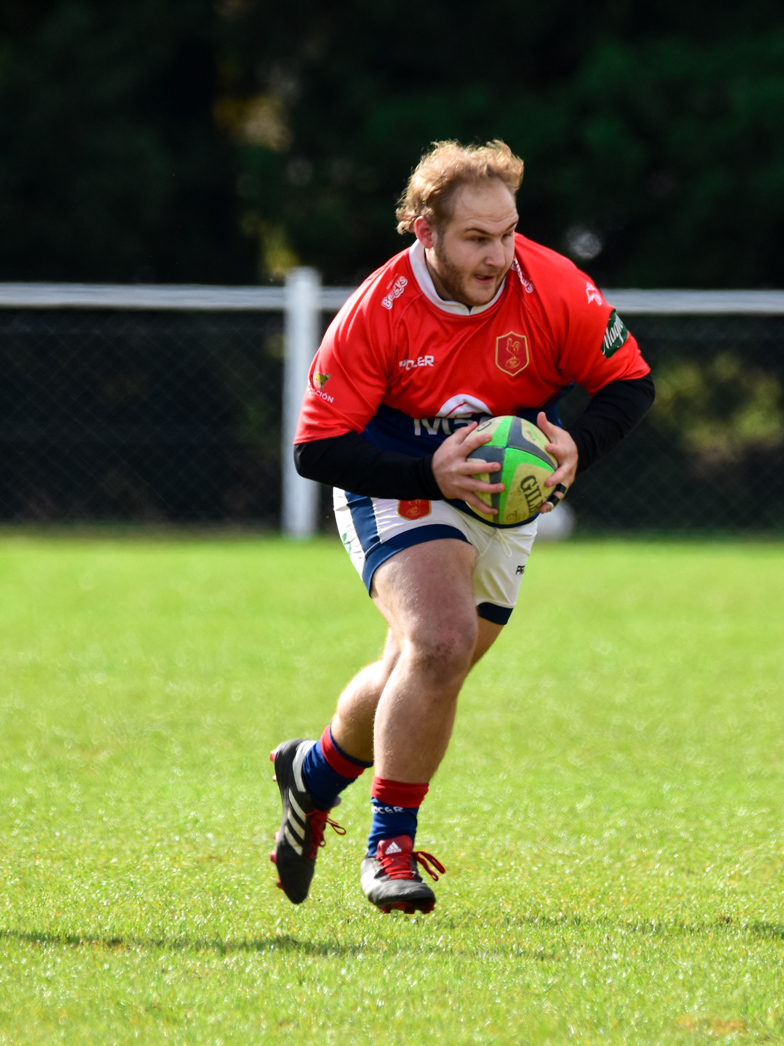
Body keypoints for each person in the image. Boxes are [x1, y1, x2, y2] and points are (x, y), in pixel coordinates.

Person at [268, 140, 655, 914]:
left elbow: (630, 384)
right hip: (396, 473)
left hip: (504, 495)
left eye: (508, 232)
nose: (499, 254)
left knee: (426, 669)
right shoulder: (378, 309)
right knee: (438, 642)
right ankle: (391, 848)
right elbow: (316, 448)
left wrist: (581, 442)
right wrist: (427, 473)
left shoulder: (551, 284)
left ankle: (310, 775)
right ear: (424, 230)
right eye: (477, 238)